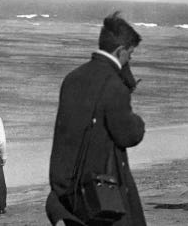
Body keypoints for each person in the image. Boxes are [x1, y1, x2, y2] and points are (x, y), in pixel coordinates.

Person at [46, 12, 146, 226]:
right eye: (130, 53)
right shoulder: (114, 85)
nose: (131, 59)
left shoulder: (72, 78)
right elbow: (127, 135)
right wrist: (139, 123)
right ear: (120, 51)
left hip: (71, 189)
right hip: (102, 191)